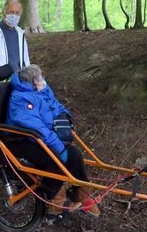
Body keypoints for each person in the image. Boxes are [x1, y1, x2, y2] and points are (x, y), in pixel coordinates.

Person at [6, 64, 100, 219]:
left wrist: (66, 117)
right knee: (55, 159)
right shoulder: (21, 98)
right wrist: (58, 146)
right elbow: (35, 127)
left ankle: (80, 195)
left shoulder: (39, 93)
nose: (44, 81)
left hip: (40, 138)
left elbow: (56, 108)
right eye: (41, 79)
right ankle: (54, 202)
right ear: (34, 81)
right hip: (22, 140)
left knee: (74, 155)